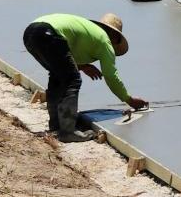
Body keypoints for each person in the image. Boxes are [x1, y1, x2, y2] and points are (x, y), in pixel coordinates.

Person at [23, 13, 148, 143]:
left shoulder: (90, 32)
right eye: (116, 41)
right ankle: (68, 131)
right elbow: (111, 76)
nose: (114, 45)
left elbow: (64, 55)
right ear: (114, 34)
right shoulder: (104, 40)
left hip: (31, 33)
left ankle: (56, 126)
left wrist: (82, 66)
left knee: (58, 77)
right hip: (49, 34)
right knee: (73, 80)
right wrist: (128, 99)